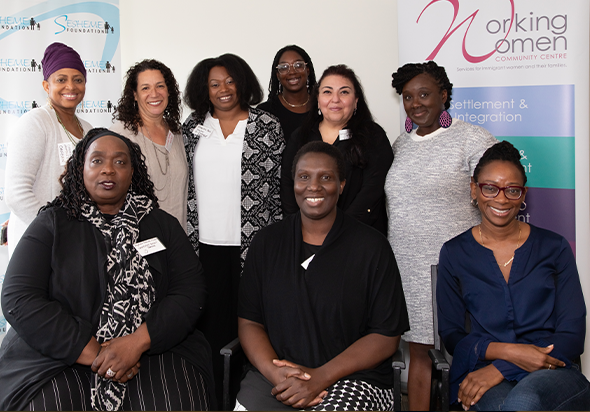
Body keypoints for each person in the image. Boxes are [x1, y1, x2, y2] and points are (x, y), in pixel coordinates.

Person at [0, 128, 214, 411]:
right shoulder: (52, 223)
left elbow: (190, 291)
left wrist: (136, 343)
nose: (108, 169)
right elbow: (19, 297)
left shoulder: (162, 225)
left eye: (120, 162)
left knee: (173, 401)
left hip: (154, 347)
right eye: (96, 161)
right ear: (80, 168)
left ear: (133, 172)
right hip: (62, 351)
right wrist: (94, 352)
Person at [236, 141, 409, 411]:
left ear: (341, 185)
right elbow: (250, 322)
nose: (313, 187)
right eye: (304, 177)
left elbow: (386, 336)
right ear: (293, 182)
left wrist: (320, 377)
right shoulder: (267, 242)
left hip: (354, 379)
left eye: (326, 178)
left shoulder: (371, 247)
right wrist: (276, 374)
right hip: (279, 375)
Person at [437, 141, 590, 411]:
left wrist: (502, 367)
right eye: (490, 187)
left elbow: (573, 334)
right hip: (482, 372)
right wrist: (508, 353)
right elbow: (452, 334)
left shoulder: (554, 247)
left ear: (523, 194)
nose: (501, 198)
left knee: (523, 400)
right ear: (474, 189)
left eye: (512, 190)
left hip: (554, 370)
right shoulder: (454, 252)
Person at [385, 61, 496, 410]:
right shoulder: (400, 143)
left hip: (454, 267)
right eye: (407, 97)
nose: (416, 103)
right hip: (406, 266)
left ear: (443, 96)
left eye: (424, 94)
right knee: (419, 352)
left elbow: (498, 187)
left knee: (466, 351)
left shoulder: (471, 138)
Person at [182, 53, 285, 407]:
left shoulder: (266, 125)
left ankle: (250, 401)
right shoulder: (191, 128)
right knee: (210, 332)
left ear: (242, 83)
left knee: (253, 328)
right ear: (203, 90)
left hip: (254, 248)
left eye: (229, 81)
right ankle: (212, 400)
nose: (223, 89)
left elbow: (280, 188)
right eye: (214, 84)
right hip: (204, 249)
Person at [281, 64, 392, 235]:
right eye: (327, 92)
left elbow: (373, 190)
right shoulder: (300, 136)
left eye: (344, 92)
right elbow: (288, 185)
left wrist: (339, 232)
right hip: (307, 237)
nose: (335, 99)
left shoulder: (373, 136)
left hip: (358, 236)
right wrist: (303, 230)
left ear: (356, 101)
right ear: (317, 99)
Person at [4, 42, 93, 255]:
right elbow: (16, 194)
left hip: (74, 240)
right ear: (46, 85)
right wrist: (55, 230)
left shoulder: (89, 129)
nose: (71, 87)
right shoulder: (35, 122)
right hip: (40, 242)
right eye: (61, 79)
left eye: (78, 80)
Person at [111, 59, 188, 229]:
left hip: (178, 240)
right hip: (140, 242)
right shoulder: (120, 136)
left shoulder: (178, 133)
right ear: (135, 95)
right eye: (145, 88)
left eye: (160, 86)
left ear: (169, 91)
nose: (154, 94)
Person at [257, 44, 317, 141]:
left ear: (308, 70)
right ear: (277, 75)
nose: (292, 72)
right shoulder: (265, 112)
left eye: (298, 65)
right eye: (284, 67)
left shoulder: (323, 107)